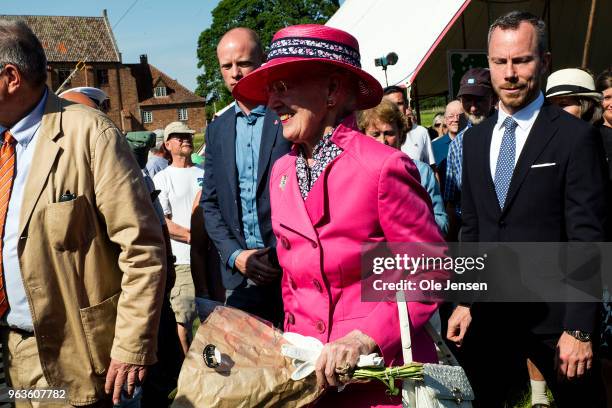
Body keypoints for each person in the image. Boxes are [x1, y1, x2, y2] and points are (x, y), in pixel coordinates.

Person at [233, 24, 445, 407]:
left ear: (332, 90)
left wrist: (364, 338)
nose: (272, 102)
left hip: (378, 378)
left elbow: (429, 270)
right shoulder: (281, 172)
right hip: (308, 376)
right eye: (270, 91)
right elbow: (294, 282)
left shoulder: (383, 167)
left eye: (284, 87)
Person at [0, 20, 165, 406]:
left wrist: (131, 343)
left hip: (70, 352)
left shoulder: (91, 134)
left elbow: (142, 250)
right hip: (8, 350)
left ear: (10, 77)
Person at [446, 11, 607, 407]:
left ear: (545, 62)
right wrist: (466, 300)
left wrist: (581, 328)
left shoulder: (575, 138)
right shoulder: (474, 141)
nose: (510, 73)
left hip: (557, 321)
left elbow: (586, 236)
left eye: (522, 60)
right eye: (500, 62)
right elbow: (473, 227)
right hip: (492, 317)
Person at [201, 27, 291, 326]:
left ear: (263, 61)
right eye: (227, 66)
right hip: (240, 280)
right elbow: (210, 204)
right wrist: (235, 255)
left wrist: (279, 257)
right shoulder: (217, 130)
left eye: (244, 63)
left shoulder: (289, 118)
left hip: (291, 272)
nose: (235, 73)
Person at [357, 99, 449, 235]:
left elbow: (442, 223)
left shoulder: (422, 172)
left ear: (401, 134)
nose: (383, 141)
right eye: (375, 134)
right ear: (364, 136)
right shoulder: (356, 175)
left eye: (389, 133)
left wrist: (415, 218)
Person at [153, 121, 202, 356]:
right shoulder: (163, 178)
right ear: (168, 144)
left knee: (215, 317)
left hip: (213, 261)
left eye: (188, 135)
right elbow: (164, 223)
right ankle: (188, 371)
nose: (186, 140)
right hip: (183, 261)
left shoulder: (205, 173)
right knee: (183, 320)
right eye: (179, 137)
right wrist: (196, 238)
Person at [444, 68, 495, 239]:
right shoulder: (456, 145)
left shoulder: (510, 135)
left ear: (493, 98)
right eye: (467, 100)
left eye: (479, 99)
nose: (473, 108)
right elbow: (451, 200)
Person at [383, 85, 435, 165]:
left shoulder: (421, 132)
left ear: (406, 105)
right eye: (390, 104)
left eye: (399, 103)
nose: (395, 108)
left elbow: (432, 168)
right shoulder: (377, 135)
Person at [432, 100, 463, 191]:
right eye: (451, 116)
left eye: (459, 116)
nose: (456, 119)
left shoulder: (473, 142)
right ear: (445, 120)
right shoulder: (434, 147)